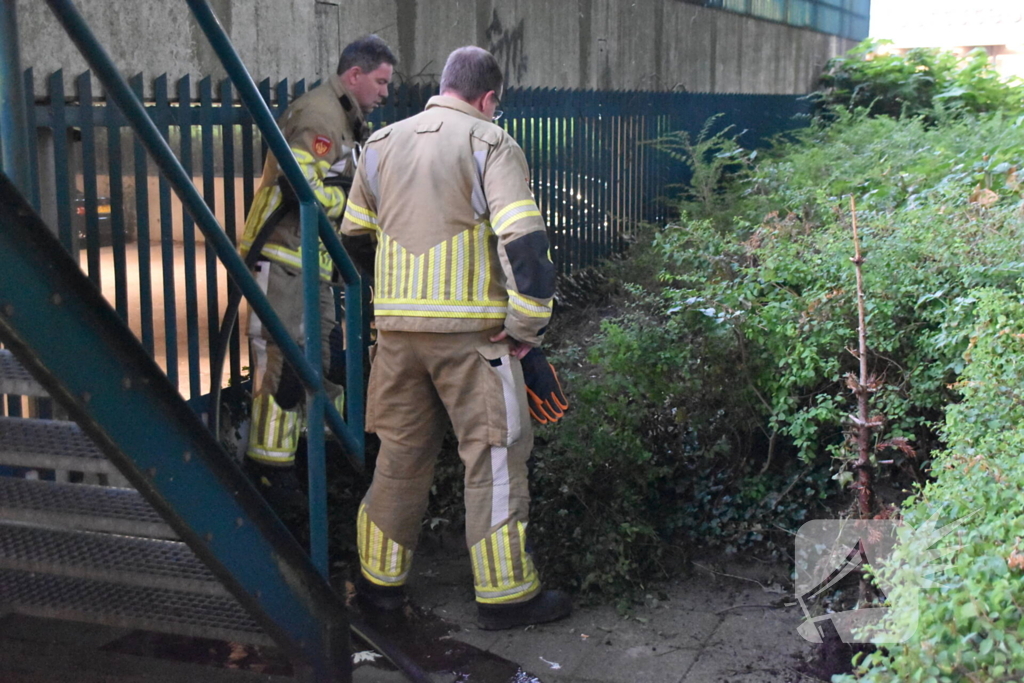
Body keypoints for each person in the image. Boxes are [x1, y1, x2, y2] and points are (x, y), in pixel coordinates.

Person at [340, 46, 571, 630]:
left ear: (443, 85)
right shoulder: (491, 143)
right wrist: (525, 329)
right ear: (488, 98)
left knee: (399, 456)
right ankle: (506, 596)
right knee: (493, 457)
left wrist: (396, 300)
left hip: (396, 338)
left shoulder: (380, 144)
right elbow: (524, 244)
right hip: (474, 340)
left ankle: (378, 589)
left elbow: (354, 238)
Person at [239, 35, 396, 509]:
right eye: (381, 82)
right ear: (355, 75)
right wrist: (349, 200)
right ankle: (267, 470)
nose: (386, 92)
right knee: (284, 364)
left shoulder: (343, 119)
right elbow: (300, 187)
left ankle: (303, 460)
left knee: (318, 360)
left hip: (311, 263)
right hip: (284, 256)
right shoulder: (321, 116)